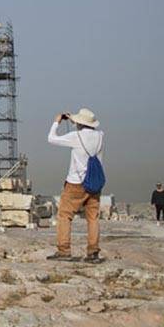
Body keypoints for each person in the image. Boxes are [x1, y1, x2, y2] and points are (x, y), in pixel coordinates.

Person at [47, 107, 104, 262]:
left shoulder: (75, 136)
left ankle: (64, 251)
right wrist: (75, 120)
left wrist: (57, 122)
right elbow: (87, 130)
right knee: (93, 218)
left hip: (76, 183)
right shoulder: (100, 136)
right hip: (94, 182)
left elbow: (51, 138)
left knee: (65, 216)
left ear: (79, 123)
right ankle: (93, 252)